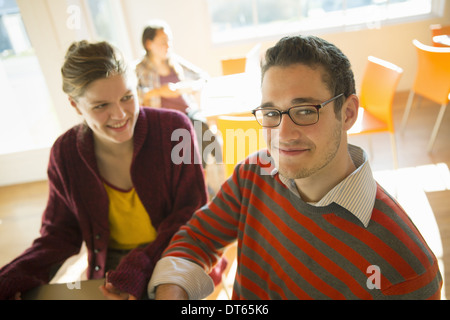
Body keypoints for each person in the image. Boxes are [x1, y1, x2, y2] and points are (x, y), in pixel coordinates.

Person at [148, 35, 443, 300]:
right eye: (271, 112)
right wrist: (172, 291)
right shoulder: (255, 173)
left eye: (304, 111)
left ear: (348, 113)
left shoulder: (406, 270)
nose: (283, 134)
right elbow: (198, 237)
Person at [0, 40, 209, 300]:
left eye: (127, 97)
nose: (120, 114)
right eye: (101, 106)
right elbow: (58, 234)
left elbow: (191, 215)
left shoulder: (175, 130)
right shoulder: (65, 153)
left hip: (176, 252)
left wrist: (140, 266)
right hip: (113, 269)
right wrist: (13, 275)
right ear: (75, 106)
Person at [135, 19, 218, 169]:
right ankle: (196, 174)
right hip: (165, 118)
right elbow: (133, 95)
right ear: (149, 44)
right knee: (186, 140)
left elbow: (203, 77)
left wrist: (185, 87)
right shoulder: (139, 69)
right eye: (162, 42)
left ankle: (201, 173)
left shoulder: (175, 61)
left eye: (169, 41)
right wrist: (160, 91)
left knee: (204, 131)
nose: (168, 46)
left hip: (188, 111)